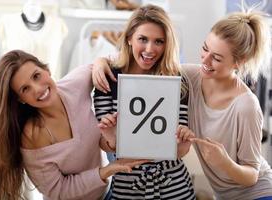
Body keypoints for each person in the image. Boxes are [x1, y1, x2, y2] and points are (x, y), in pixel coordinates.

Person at [92, 10, 272, 200]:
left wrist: (224, 162)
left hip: (257, 193)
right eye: (205, 48)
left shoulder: (246, 105)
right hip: (223, 195)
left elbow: (252, 176)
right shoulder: (192, 76)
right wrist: (99, 61)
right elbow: (138, 62)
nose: (205, 60)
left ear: (239, 62)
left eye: (217, 58)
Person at [0, 50, 148, 200]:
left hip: (104, 195)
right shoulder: (32, 136)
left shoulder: (75, 84)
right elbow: (57, 190)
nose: (38, 89)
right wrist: (106, 171)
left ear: (46, 69)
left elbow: (119, 58)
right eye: (25, 89)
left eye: (36, 76)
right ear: (20, 99)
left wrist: (99, 62)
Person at [93, 5, 196, 200]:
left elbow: (181, 151)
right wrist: (110, 136)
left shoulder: (176, 80)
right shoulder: (109, 79)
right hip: (127, 185)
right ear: (129, 38)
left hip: (173, 186)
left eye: (159, 41)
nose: (150, 49)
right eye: (143, 39)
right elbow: (106, 145)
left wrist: (184, 140)